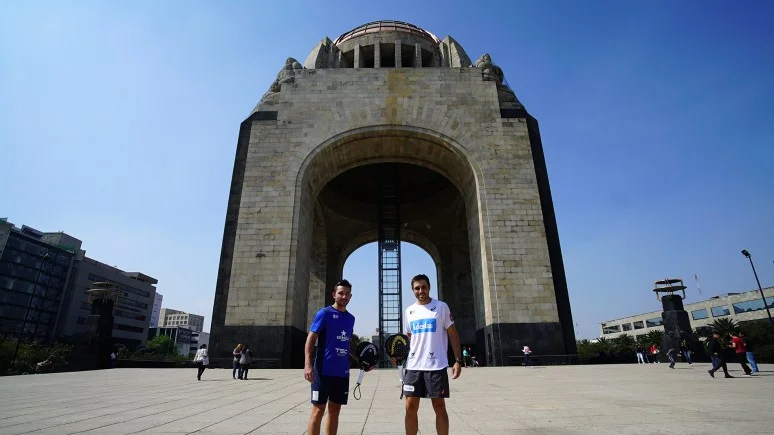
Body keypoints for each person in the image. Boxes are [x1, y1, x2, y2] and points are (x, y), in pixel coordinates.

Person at [397, 274, 462, 435]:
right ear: (412, 290)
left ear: (429, 287)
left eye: (423, 287)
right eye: (417, 288)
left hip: (436, 365)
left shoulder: (441, 307)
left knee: (439, 407)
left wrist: (458, 361)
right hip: (413, 367)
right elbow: (409, 337)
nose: (421, 291)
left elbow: (453, 334)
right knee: (410, 407)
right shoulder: (409, 311)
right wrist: (399, 356)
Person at [305, 279, 357, 435]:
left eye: (347, 294)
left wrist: (362, 360)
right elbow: (311, 339)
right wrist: (308, 365)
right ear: (334, 294)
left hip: (341, 373)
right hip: (322, 372)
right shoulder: (324, 313)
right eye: (341, 293)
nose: (344, 296)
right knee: (318, 411)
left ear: (351, 296)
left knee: (335, 412)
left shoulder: (350, 318)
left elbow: (347, 343)